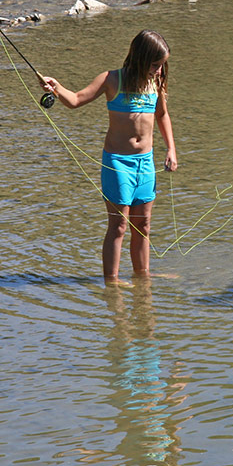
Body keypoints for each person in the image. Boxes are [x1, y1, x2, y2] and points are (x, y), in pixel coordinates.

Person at [37, 30, 177, 286]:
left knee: (143, 226)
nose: (159, 71)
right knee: (119, 226)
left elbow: (162, 115)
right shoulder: (112, 80)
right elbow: (76, 100)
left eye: (161, 65)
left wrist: (171, 149)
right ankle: (111, 283)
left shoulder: (156, 82)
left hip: (145, 163)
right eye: (155, 65)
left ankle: (142, 278)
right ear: (140, 59)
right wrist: (56, 88)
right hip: (117, 162)